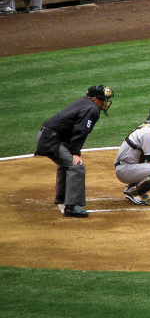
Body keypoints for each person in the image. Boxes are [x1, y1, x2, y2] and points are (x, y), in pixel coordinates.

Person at [34, 85, 115, 218]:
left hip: (48, 135)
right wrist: (75, 153)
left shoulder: (84, 102)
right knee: (76, 165)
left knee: (66, 162)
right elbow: (80, 130)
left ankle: (62, 196)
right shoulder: (92, 108)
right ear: (95, 99)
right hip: (51, 140)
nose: (105, 103)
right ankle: (71, 207)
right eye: (103, 100)